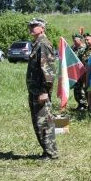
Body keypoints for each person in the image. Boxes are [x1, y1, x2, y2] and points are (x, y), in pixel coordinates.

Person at [25, 18, 58, 159]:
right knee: (39, 122)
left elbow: (48, 70)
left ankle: (51, 153)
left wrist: (44, 90)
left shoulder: (43, 44)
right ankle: (46, 151)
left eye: (35, 26)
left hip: (40, 91)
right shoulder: (37, 44)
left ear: (42, 28)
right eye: (30, 26)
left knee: (44, 122)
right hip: (35, 90)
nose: (31, 28)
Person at [71, 33, 90, 111]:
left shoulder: (84, 48)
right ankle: (79, 103)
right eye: (73, 40)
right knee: (77, 88)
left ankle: (84, 104)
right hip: (74, 72)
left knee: (82, 88)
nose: (74, 42)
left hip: (82, 71)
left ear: (80, 40)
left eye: (75, 40)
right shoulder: (73, 48)